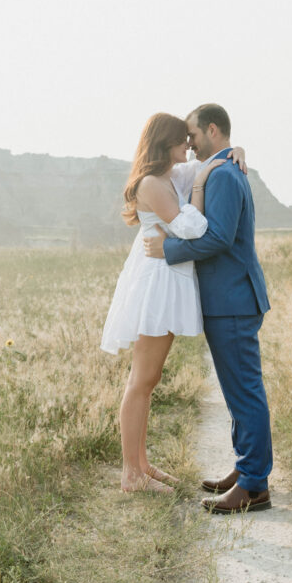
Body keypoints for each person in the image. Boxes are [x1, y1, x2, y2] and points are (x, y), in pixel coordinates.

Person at [100, 112, 246, 494]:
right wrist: (198, 186)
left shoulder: (169, 175)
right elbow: (194, 227)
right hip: (157, 286)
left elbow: (207, 162)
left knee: (149, 379)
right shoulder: (151, 183)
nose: (189, 145)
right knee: (141, 380)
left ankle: (142, 465)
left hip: (167, 279)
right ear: (166, 143)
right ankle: (131, 474)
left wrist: (237, 151)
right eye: (183, 140)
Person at [144, 103, 272, 514]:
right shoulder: (218, 170)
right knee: (237, 394)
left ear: (212, 130)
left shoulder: (224, 175)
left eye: (193, 136)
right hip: (228, 299)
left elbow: (218, 237)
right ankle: (247, 469)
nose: (189, 144)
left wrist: (169, 249)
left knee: (245, 393)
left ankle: (254, 486)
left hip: (233, 299)